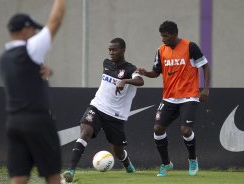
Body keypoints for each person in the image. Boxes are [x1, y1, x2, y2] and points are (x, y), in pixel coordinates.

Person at [0, 1, 65, 184]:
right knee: (52, 174)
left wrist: (47, 71)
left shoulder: (4, 59)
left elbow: (27, 76)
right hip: (37, 121)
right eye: (34, 30)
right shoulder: (30, 49)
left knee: (19, 177)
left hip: (14, 123)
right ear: (25, 30)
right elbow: (56, 20)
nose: (36, 34)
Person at [63, 38, 144, 183]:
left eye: (114, 50)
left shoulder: (131, 69)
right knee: (85, 132)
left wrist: (125, 81)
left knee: (118, 152)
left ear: (123, 50)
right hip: (97, 107)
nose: (111, 52)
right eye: (110, 50)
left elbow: (140, 81)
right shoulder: (106, 63)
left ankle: (126, 162)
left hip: (116, 116)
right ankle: (70, 170)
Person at [138, 20, 210, 177]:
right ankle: (166, 164)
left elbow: (204, 65)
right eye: (162, 36)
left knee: (185, 130)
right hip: (169, 98)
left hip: (189, 96)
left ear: (175, 34)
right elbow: (156, 72)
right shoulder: (161, 50)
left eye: (166, 36)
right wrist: (145, 73)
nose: (163, 39)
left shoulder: (190, 47)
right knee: (158, 129)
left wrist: (205, 88)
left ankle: (192, 159)